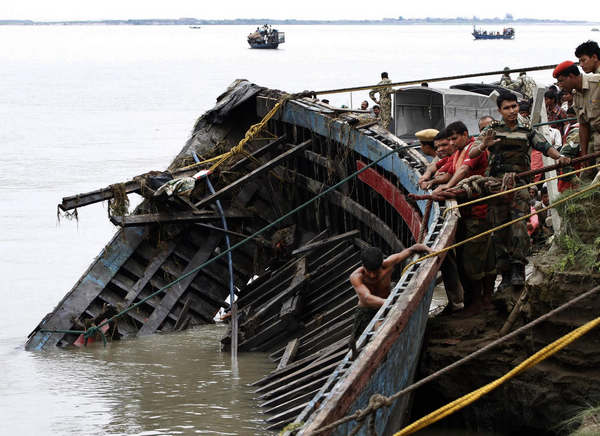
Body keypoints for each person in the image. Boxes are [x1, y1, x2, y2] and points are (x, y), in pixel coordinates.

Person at [469, 92, 570, 292]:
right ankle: (505, 273)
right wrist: (483, 146)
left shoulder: (526, 130)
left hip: (520, 184)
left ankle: (518, 270)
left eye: (514, 106)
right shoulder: (492, 130)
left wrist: (560, 157)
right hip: (496, 186)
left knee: (518, 226)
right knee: (499, 229)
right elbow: (472, 153)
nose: (512, 111)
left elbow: (545, 147)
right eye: (507, 108)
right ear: (499, 111)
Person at [434, 121, 496, 313]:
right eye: (449, 140)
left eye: (454, 139)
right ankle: (479, 300)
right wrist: (433, 178)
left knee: (474, 259)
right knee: (476, 257)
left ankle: (481, 300)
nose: (451, 143)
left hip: (479, 211)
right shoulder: (458, 152)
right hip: (469, 212)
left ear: (465, 134)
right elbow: (445, 169)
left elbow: (462, 171)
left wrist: (449, 187)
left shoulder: (472, 149)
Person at [350, 244, 432, 348]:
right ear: (363, 265)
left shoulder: (388, 263)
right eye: (369, 271)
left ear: (381, 264)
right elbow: (366, 297)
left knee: (381, 334)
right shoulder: (356, 277)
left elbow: (412, 249)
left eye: (375, 271)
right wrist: (388, 302)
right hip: (366, 311)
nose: (372, 275)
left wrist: (429, 249)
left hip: (387, 305)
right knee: (358, 343)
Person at [553, 60, 600, 180]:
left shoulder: (597, 82)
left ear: (571, 76)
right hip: (593, 140)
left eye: (561, 81)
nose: (560, 85)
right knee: (586, 179)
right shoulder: (576, 95)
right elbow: (583, 125)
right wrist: (584, 155)